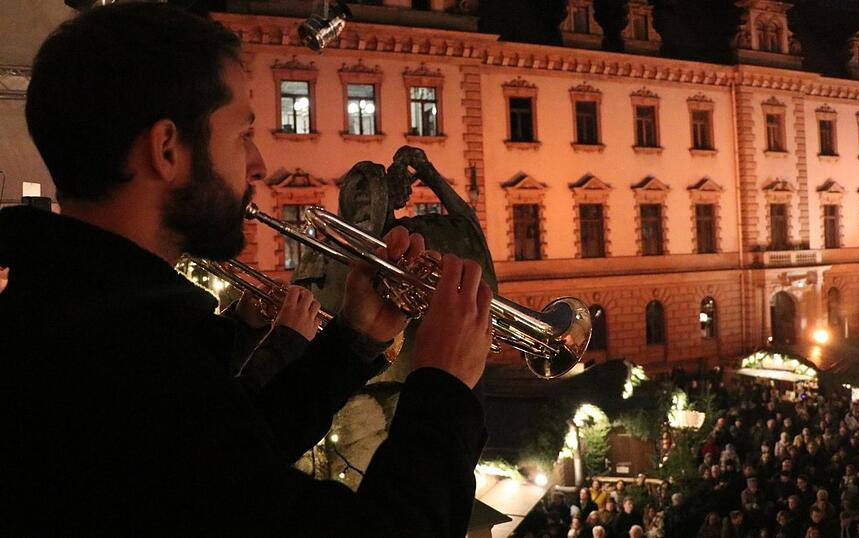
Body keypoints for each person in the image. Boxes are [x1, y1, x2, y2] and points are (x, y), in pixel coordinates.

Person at [0, 4, 493, 537]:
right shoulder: (125, 357)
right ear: (167, 149)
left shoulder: (67, 313)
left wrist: (354, 340)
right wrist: (443, 387)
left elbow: (233, 459)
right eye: (241, 134)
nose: (257, 163)